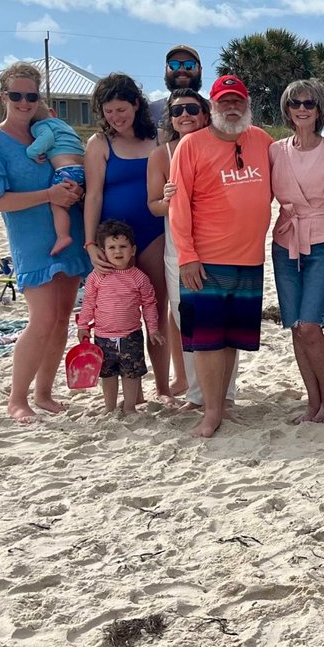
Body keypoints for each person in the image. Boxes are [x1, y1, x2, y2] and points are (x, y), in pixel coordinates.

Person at [0, 61, 91, 423]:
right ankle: (17, 398)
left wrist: (73, 190)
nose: (24, 102)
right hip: (32, 240)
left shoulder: (48, 131)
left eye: (31, 95)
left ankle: (43, 392)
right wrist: (49, 195)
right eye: (17, 95)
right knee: (42, 319)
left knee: (61, 320)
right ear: (3, 97)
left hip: (70, 235)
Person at [168, 74, 274, 438]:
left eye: (237, 101)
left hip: (250, 259)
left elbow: (296, 157)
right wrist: (187, 255)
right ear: (212, 106)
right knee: (208, 341)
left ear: (247, 105)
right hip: (206, 260)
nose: (231, 107)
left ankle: (223, 405)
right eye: (224, 101)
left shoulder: (261, 140)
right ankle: (211, 412)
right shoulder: (191, 146)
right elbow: (178, 205)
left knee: (231, 340)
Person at [83, 73, 175, 401]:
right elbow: (92, 196)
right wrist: (90, 243)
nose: (116, 118)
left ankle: (163, 388)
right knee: (115, 312)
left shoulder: (160, 137)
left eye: (121, 110)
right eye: (109, 112)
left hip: (153, 233)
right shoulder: (98, 144)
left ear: (137, 104)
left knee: (155, 310)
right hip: (114, 241)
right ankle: (123, 386)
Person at [270, 77, 324, 425]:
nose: (301, 109)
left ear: (320, 109)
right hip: (285, 241)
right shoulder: (275, 150)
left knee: (310, 326)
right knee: (294, 326)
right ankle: (312, 400)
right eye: (295, 103)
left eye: (309, 103)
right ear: (287, 109)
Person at [147, 87, 212, 402]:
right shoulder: (162, 154)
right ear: (170, 118)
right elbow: (153, 205)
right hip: (178, 250)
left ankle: (223, 393)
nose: (184, 115)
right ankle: (197, 392)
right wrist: (168, 200)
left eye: (191, 109)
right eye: (177, 111)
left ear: (203, 113)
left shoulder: (219, 145)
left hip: (218, 247)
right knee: (187, 320)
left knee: (218, 321)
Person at [76, 218, 163, 415]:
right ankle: (109, 407)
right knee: (108, 374)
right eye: (112, 247)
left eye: (123, 246)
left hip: (130, 336)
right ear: (103, 251)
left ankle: (130, 407)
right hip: (102, 336)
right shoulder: (96, 277)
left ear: (132, 250)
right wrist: (83, 326)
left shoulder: (139, 277)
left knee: (131, 374)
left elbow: (149, 304)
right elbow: (88, 303)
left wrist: (153, 329)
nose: (117, 251)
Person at [23, 109, 86, 256]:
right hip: (83, 168)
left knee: (57, 205)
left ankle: (63, 236)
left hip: (66, 170)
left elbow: (47, 138)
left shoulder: (40, 125)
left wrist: (31, 152)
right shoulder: (64, 125)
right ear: (52, 112)